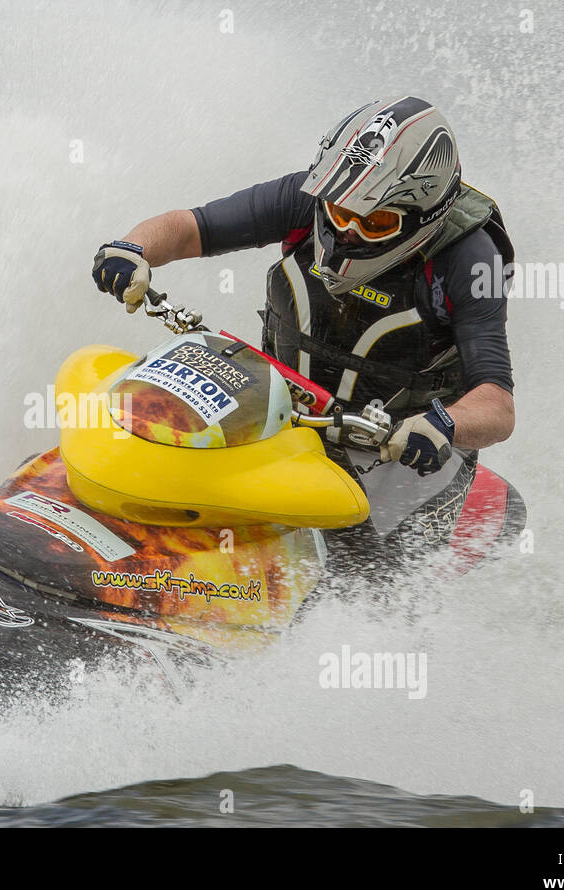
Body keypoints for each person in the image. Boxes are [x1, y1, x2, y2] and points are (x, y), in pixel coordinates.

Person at [91, 96, 517, 560]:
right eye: (339, 211)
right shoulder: (306, 200)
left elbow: (497, 403)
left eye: (372, 221)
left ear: (422, 218)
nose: (346, 232)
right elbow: (191, 227)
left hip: (405, 454)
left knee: (368, 585)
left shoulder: (471, 258)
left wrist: (444, 424)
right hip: (287, 415)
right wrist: (132, 249)